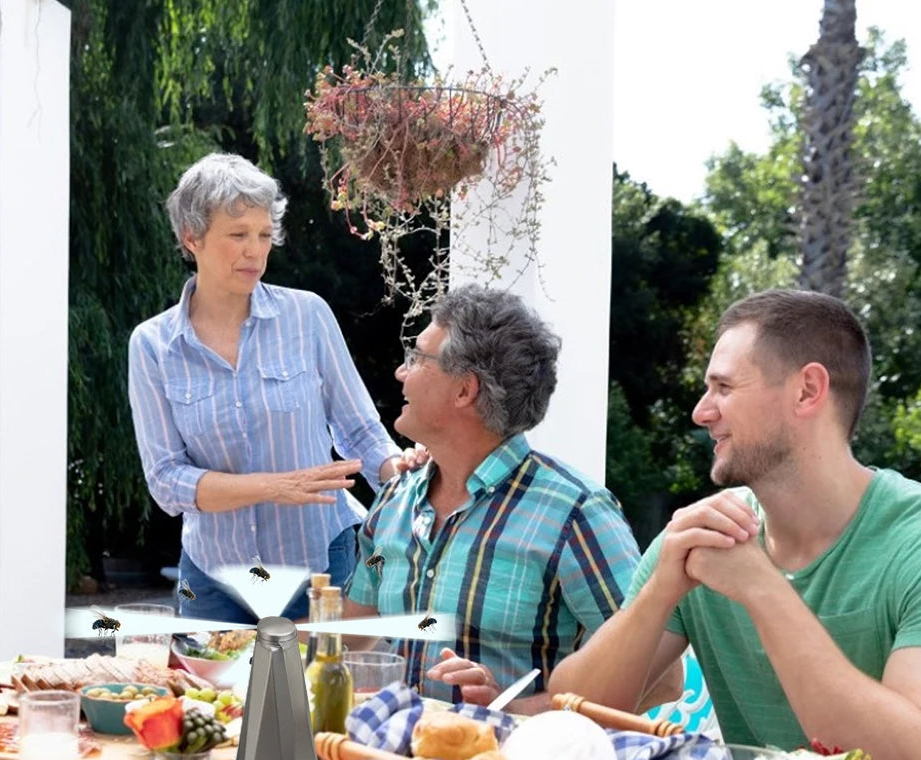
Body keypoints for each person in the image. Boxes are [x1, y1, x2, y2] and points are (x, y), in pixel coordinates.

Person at [550, 288, 921, 760]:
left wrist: (762, 588)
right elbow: (570, 714)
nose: (701, 412)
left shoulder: (915, 540)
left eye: (724, 388)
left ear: (808, 390)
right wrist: (659, 594)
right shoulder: (703, 539)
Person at [345, 284, 650, 712]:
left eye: (416, 358)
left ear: (464, 391)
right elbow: (353, 627)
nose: (401, 372)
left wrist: (512, 711)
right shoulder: (394, 502)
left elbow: (658, 678)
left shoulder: (576, 515)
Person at [129, 153, 405, 622]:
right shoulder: (153, 345)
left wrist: (404, 481)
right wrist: (273, 487)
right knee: (211, 697)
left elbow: (359, 431)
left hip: (322, 567)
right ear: (190, 237)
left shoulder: (308, 316)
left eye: (263, 234)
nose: (255, 251)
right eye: (237, 235)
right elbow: (167, 481)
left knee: (318, 693)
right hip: (214, 582)